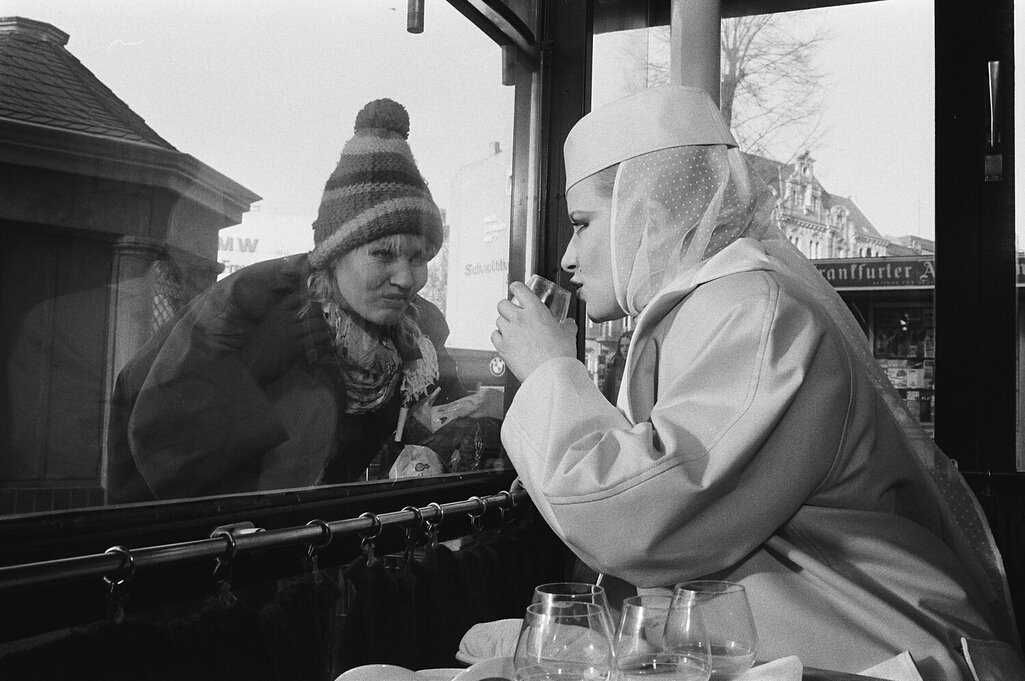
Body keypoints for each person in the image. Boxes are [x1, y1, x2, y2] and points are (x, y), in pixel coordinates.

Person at [492, 86, 1023, 679]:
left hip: (893, 656)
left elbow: (643, 517)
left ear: (651, 212)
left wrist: (545, 372)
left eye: (582, 223)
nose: (566, 257)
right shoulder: (712, 310)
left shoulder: (754, 312)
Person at [108, 98, 464, 502]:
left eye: (419, 257)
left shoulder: (411, 336)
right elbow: (162, 433)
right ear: (334, 253)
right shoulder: (258, 305)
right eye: (383, 253)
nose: (406, 279)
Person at [600, 330, 632, 402]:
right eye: (622, 346)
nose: (625, 349)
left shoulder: (640, 370)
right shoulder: (614, 371)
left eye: (627, 346)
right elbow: (606, 396)